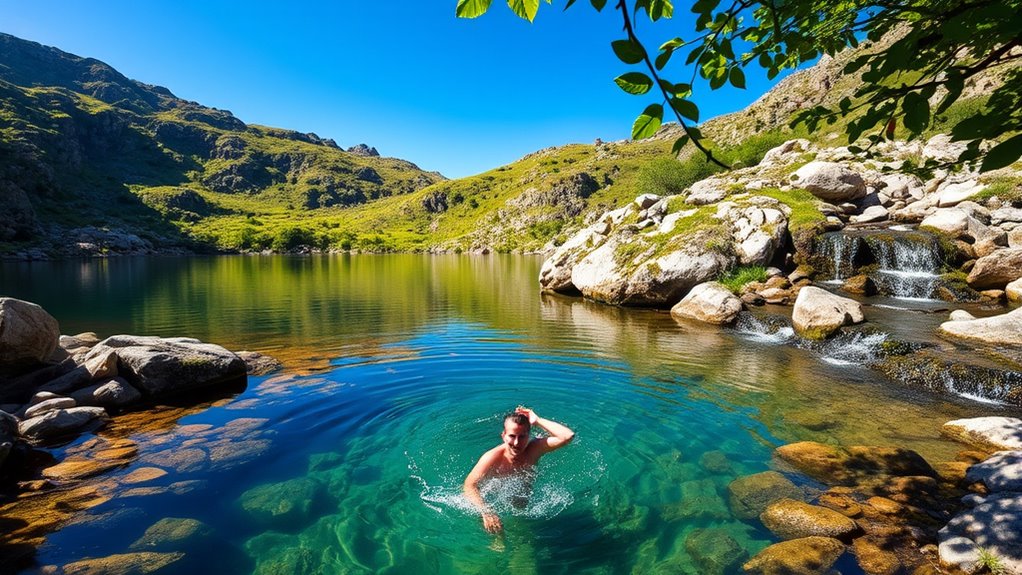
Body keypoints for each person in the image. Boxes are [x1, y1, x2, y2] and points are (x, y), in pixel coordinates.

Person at [463, 406, 575, 533]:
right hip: (495, 502)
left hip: (524, 510)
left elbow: (568, 436)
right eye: (512, 436)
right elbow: (469, 485)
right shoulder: (491, 457)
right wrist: (486, 512)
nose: (516, 443)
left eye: (522, 437)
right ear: (503, 435)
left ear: (529, 436)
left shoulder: (534, 449)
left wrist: (537, 420)